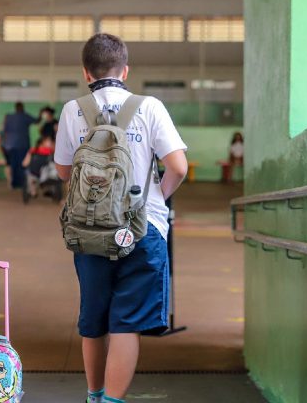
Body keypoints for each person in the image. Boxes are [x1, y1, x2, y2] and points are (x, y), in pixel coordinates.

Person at [54, 33, 188, 403]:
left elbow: (64, 172)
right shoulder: (149, 107)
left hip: (89, 230)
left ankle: (94, 395)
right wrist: (154, 198)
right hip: (142, 229)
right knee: (127, 323)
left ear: (86, 72)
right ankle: (112, 401)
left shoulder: (73, 110)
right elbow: (178, 166)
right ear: (125, 69)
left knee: (93, 321)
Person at [1, 102, 37, 189]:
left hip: (10, 145)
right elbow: (37, 121)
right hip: (22, 145)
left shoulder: (9, 117)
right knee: (23, 164)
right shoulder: (25, 116)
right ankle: (22, 183)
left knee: (13, 164)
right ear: (22, 108)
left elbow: (4, 130)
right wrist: (41, 113)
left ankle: (14, 184)